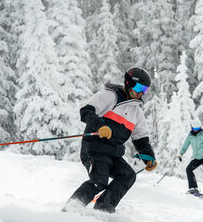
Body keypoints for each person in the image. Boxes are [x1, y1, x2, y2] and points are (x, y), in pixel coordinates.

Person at [63, 67, 157, 213]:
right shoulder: (109, 96)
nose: (141, 93)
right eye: (139, 87)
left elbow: (141, 138)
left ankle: (103, 208)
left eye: (145, 90)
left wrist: (148, 157)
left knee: (128, 175)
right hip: (94, 149)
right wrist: (100, 126)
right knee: (99, 181)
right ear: (128, 83)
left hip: (113, 154)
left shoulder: (136, 112)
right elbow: (86, 111)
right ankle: (71, 209)